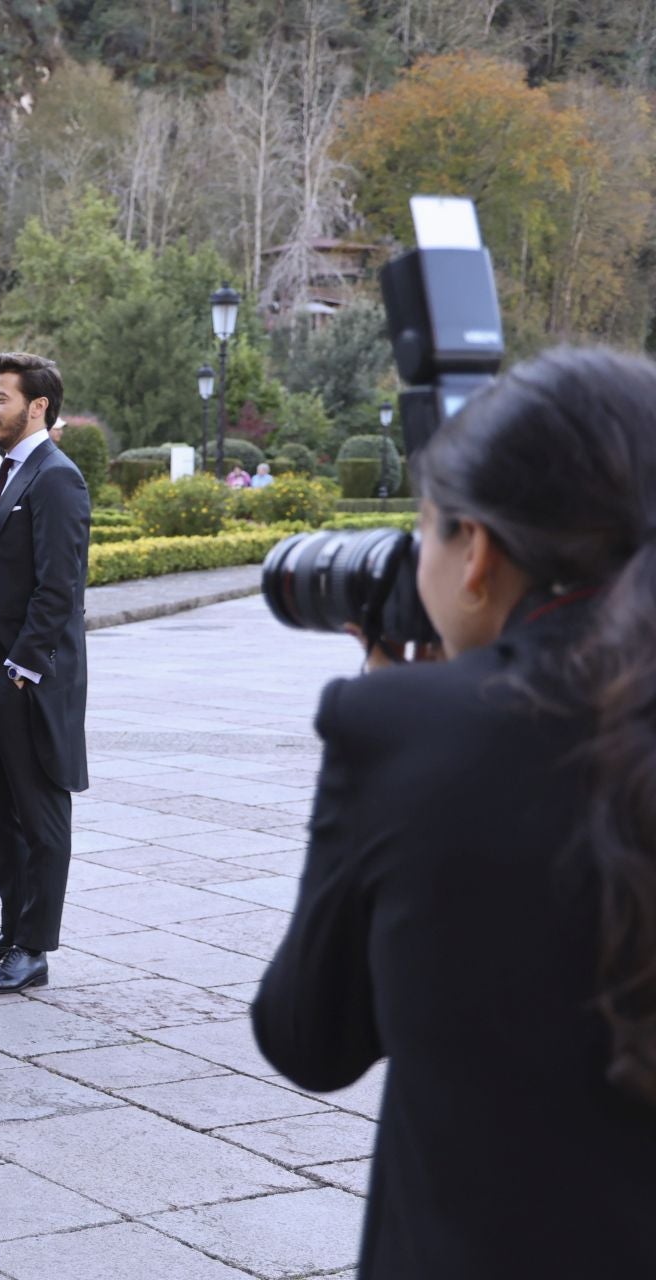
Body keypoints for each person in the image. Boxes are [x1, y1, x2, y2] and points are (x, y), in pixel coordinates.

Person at [252, 347, 656, 1278]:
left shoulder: (402, 729)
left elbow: (308, 1037)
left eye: (426, 527)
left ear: (476, 553)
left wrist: (404, 728)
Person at [0, 352, 90, 996]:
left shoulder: (57, 477)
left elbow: (60, 585)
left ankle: (34, 949)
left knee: (40, 815)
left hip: (28, 677)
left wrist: (22, 669)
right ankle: (14, 926)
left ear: (37, 407)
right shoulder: (11, 469)